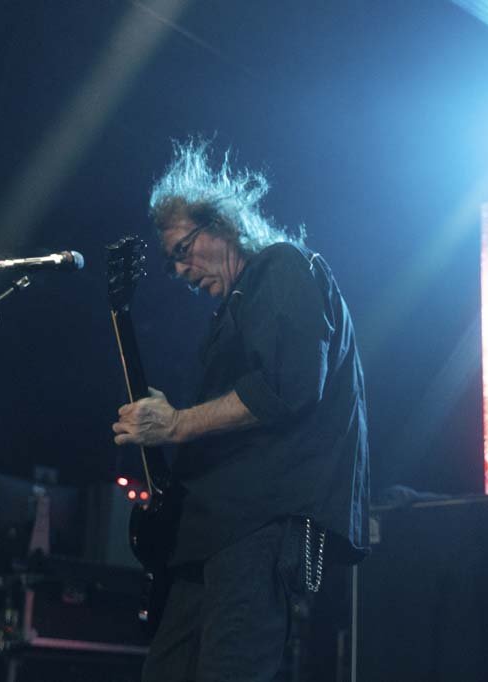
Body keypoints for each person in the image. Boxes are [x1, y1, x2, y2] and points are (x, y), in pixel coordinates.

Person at [112, 139, 370, 682]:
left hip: (253, 528)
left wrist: (177, 423)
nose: (181, 270)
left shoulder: (282, 265)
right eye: (171, 262)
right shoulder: (233, 308)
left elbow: (288, 385)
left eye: (183, 249)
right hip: (206, 537)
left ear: (221, 224)